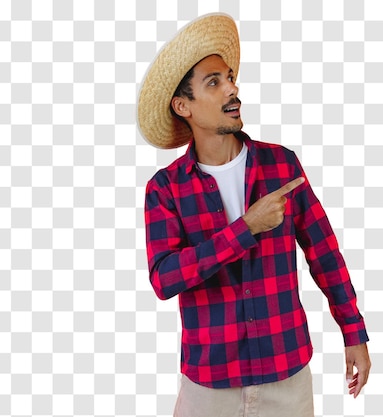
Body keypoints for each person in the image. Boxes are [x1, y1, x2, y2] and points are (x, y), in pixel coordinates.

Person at [137, 13, 370, 417]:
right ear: (183, 106)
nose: (233, 88)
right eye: (214, 82)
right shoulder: (165, 188)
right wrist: (246, 228)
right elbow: (165, 278)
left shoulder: (281, 165)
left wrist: (354, 332)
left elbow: (325, 254)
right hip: (208, 386)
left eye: (229, 77)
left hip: (287, 377)